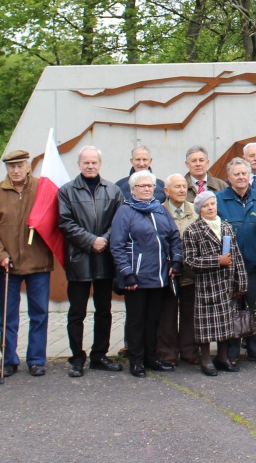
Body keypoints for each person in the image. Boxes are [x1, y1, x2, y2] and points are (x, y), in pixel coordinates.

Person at [58, 146, 124, 377]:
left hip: (105, 259)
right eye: (86, 162)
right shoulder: (66, 191)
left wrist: (103, 240)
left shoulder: (113, 190)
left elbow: (119, 221)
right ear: (78, 165)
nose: (90, 166)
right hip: (79, 259)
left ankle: (99, 355)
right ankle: (77, 358)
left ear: (100, 164)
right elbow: (65, 222)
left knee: (103, 310)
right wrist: (90, 240)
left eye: (94, 162)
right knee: (77, 312)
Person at [0, 149, 54, 377]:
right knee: (8, 315)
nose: (16, 171)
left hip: (38, 261)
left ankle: (36, 359)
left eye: (20, 166)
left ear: (28, 167)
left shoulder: (42, 189)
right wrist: (0, 255)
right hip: (8, 264)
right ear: (7, 168)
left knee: (39, 314)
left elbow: (55, 219)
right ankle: (9, 359)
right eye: (11, 167)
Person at [110, 170, 182, 377]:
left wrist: (176, 261)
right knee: (136, 321)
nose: (147, 189)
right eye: (142, 186)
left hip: (159, 277)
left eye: (150, 186)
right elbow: (117, 245)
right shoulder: (125, 211)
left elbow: (174, 237)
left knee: (153, 321)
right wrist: (126, 273)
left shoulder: (160, 210)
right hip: (136, 279)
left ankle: (151, 357)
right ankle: (136, 360)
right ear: (133, 190)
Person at [183, 190, 250, 376]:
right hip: (207, 285)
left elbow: (236, 256)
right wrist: (216, 261)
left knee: (225, 323)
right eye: (205, 206)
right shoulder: (193, 230)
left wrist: (241, 282)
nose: (210, 208)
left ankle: (222, 357)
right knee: (206, 324)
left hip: (227, 283)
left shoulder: (226, 227)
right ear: (199, 209)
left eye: (212, 204)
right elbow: (189, 261)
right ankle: (205, 359)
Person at [217, 159, 256, 362]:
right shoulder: (218, 200)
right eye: (236, 174)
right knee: (231, 308)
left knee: (254, 307)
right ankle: (231, 352)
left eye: (244, 174)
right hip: (229, 267)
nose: (241, 177)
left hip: (253, 263)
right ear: (229, 177)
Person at [158, 174, 201, 366]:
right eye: (177, 187)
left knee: (189, 312)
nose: (183, 190)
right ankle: (167, 352)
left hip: (191, 271)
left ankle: (189, 351)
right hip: (168, 272)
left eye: (184, 186)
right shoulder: (159, 212)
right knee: (167, 313)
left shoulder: (195, 211)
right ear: (166, 191)